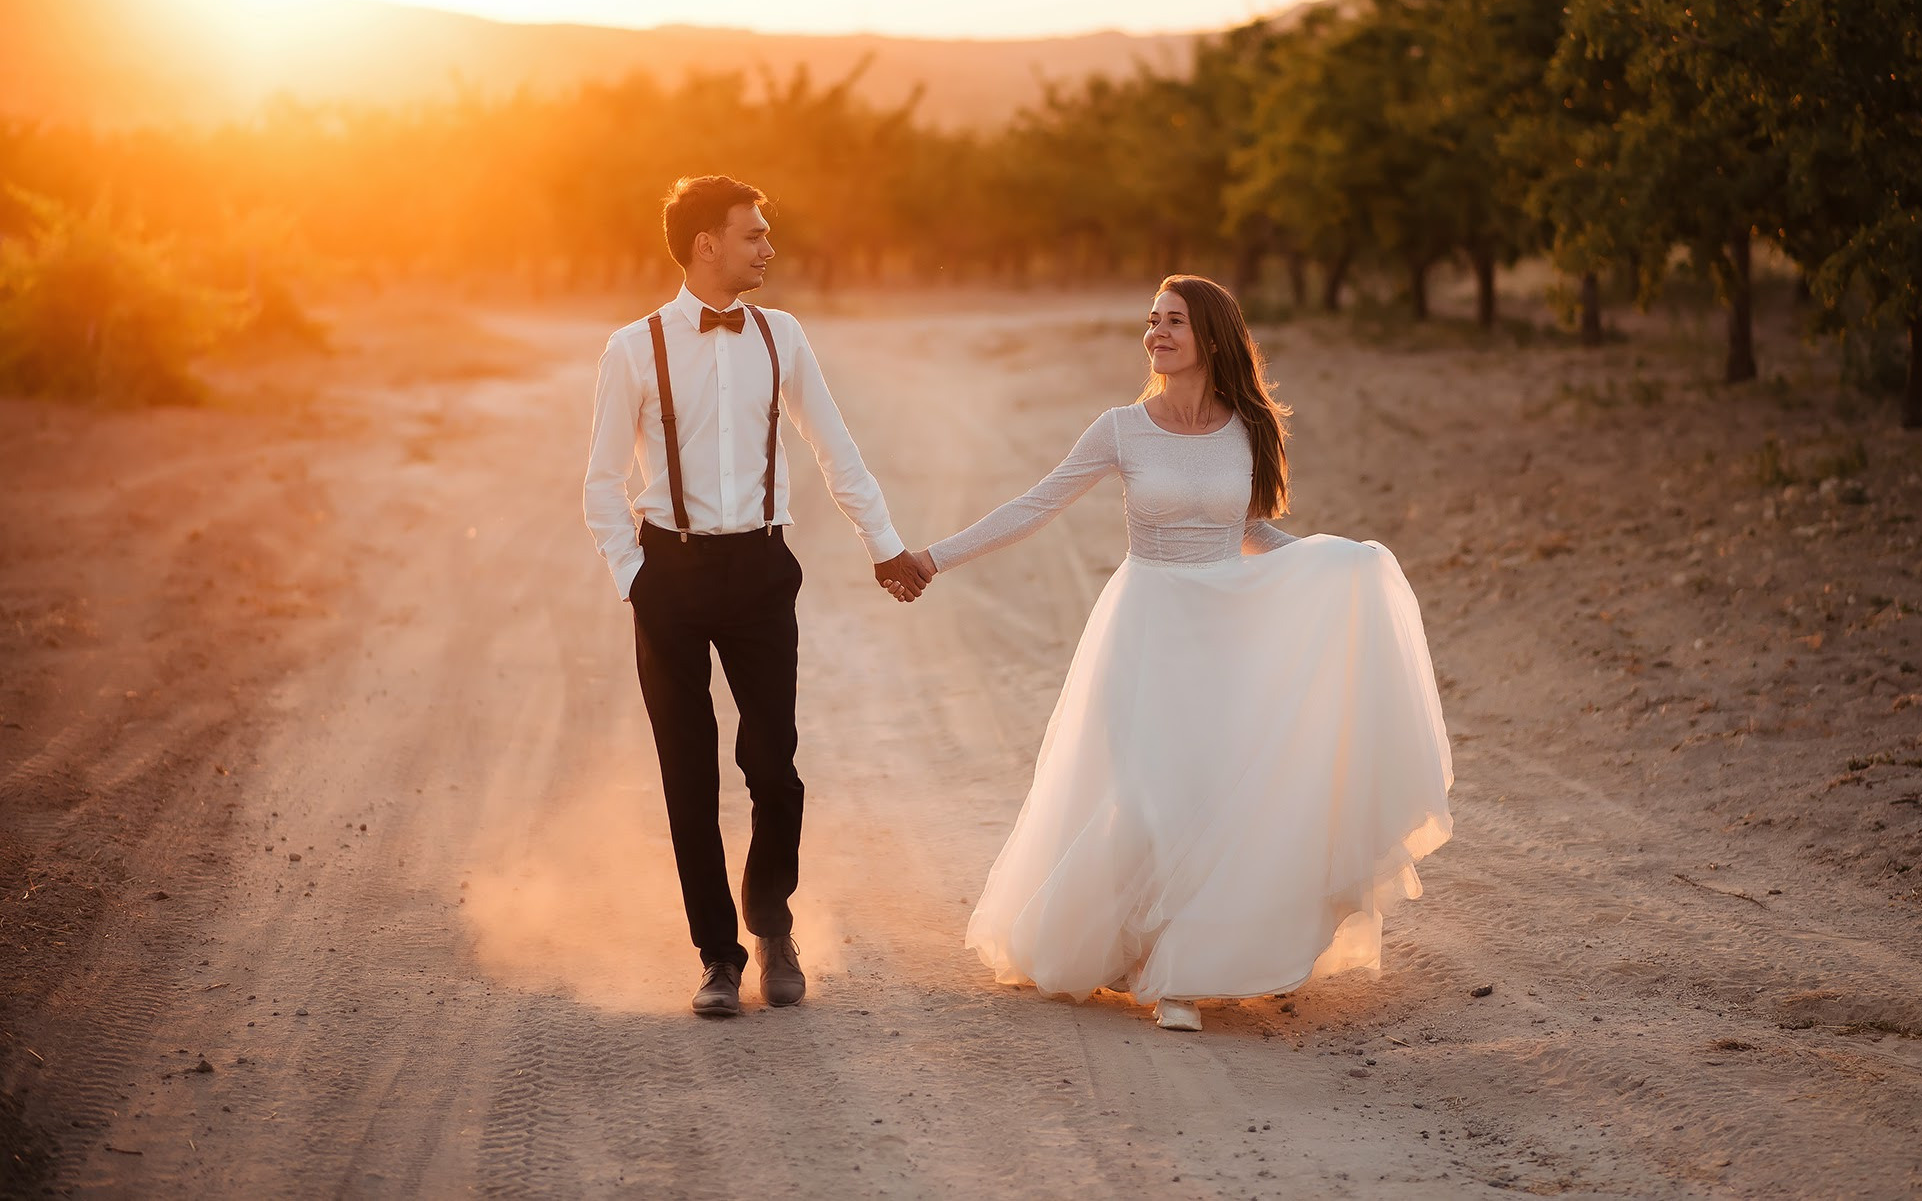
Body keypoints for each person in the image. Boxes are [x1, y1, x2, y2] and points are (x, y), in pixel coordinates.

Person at [912, 274, 1453, 1032]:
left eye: (1174, 322)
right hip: (1144, 625)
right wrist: (932, 558)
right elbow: (1036, 505)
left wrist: (1337, 566)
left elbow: (1247, 530)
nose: (1156, 333)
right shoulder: (1121, 429)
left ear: (1212, 338)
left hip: (1224, 629)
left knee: (1205, 793)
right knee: (1143, 794)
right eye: (1152, 320)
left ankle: (1181, 973)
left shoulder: (1248, 428)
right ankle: (1138, 950)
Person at [584, 175, 930, 1018]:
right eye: (754, 234)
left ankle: (773, 924)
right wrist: (637, 579)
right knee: (688, 774)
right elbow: (600, 481)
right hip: (670, 574)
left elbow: (835, 448)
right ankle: (717, 955)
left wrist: (884, 545)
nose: (768, 247)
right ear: (707, 243)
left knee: (774, 765)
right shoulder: (632, 348)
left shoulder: (783, 335)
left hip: (763, 569)